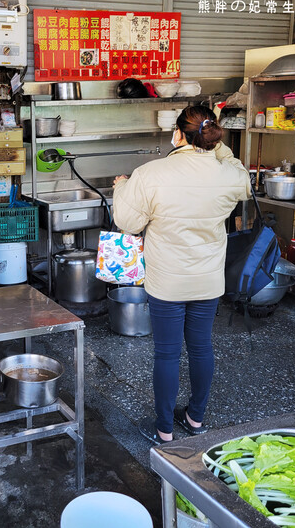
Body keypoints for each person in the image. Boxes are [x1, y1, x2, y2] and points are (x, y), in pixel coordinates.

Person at [112, 106, 251, 444]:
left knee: (167, 354)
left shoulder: (151, 173)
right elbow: (240, 176)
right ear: (211, 135)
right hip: (207, 279)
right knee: (202, 347)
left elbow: (127, 223)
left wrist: (121, 187)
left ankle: (164, 429)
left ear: (178, 134)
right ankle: (195, 418)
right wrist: (215, 147)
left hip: (167, 281)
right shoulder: (229, 175)